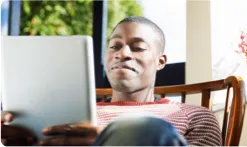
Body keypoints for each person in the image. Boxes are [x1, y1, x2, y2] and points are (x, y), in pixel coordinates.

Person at [1, 16, 222, 146]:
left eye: (137, 47)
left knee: (146, 129)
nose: (122, 54)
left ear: (160, 61)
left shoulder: (194, 115)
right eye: (115, 46)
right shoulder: (69, 114)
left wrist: (107, 141)